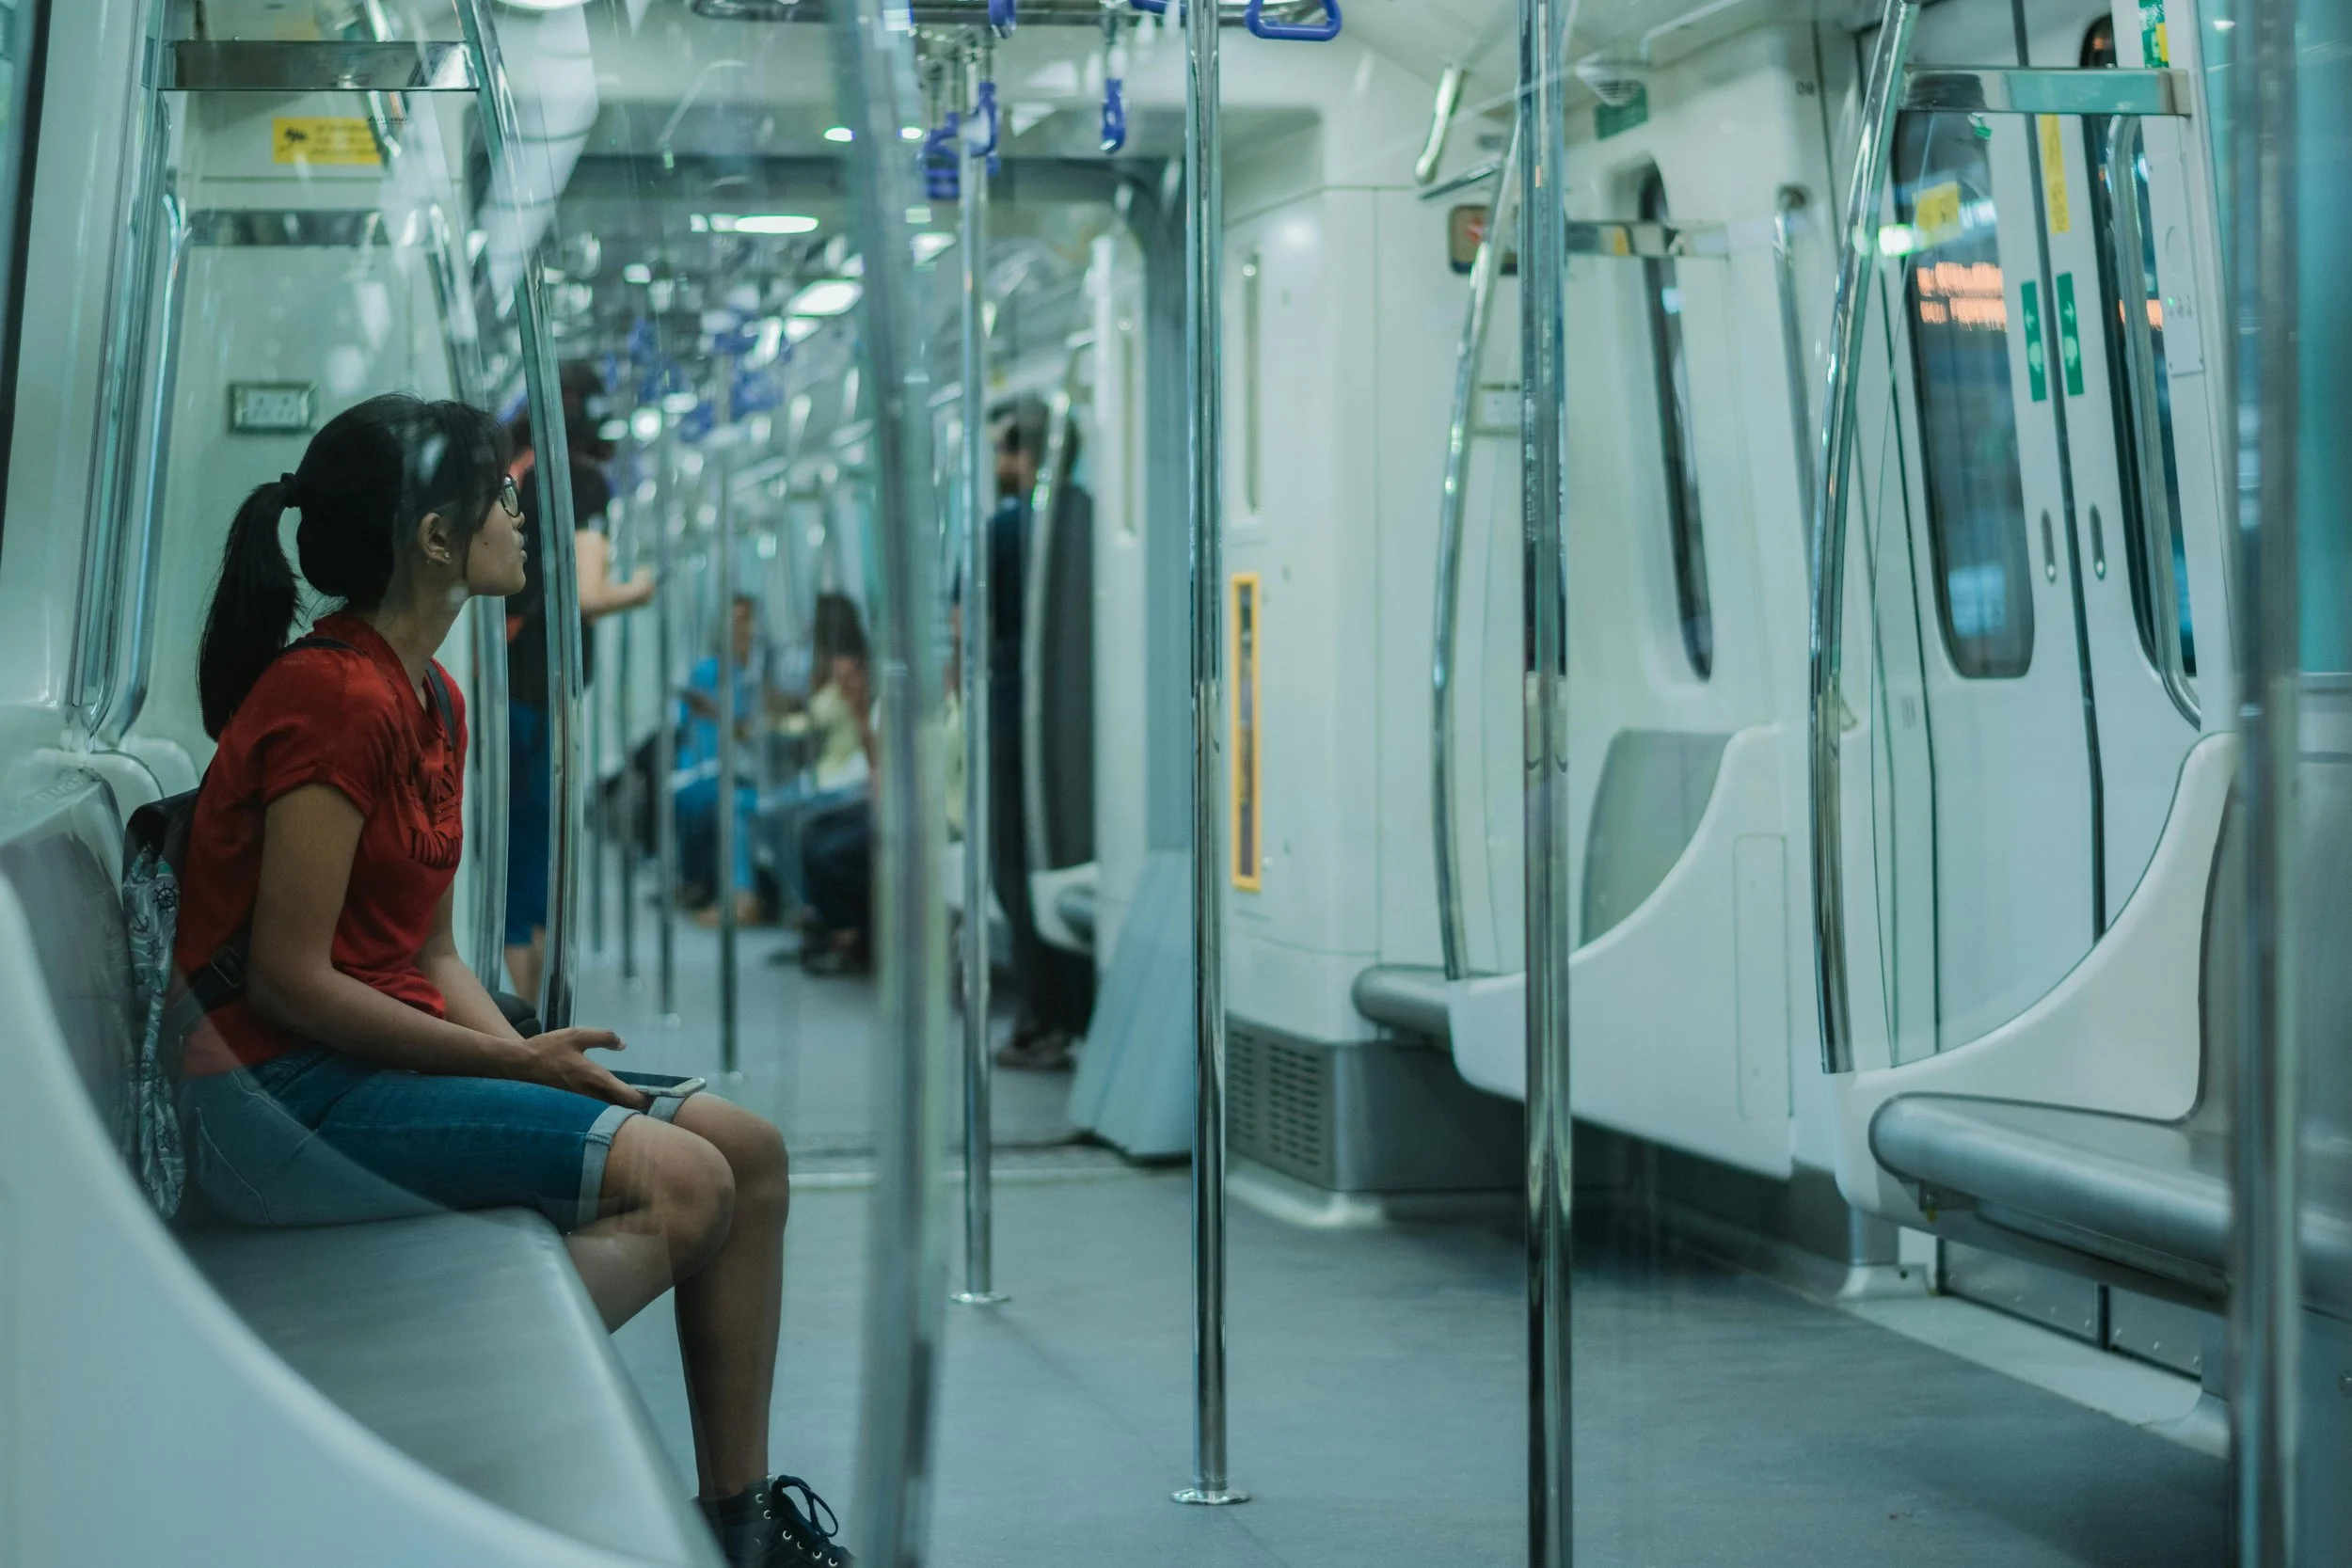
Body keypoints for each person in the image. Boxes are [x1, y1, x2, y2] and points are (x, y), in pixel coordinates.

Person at [174, 395, 847, 1568]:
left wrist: (548, 1070)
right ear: (436, 538)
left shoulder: (435, 697)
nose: (518, 509)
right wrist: (507, 1063)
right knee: (682, 1186)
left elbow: (430, 956)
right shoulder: (336, 697)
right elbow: (284, 982)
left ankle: (739, 1528)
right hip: (273, 1096)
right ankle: (379, 1454)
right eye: (496, 492)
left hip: (370, 1058)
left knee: (749, 1148)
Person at [505, 362, 657, 1002]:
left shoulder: (513, 472)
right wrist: (642, 588)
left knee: (511, 855)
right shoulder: (581, 483)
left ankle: (515, 1010)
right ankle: (529, 1023)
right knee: (539, 860)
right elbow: (588, 595)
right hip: (544, 691)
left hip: (501, 689)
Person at [984, 400, 1096, 1069]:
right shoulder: (1087, 516)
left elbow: (971, 629)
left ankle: (1038, 1020)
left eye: (1004, 449)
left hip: (1010, 719)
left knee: (1016, 871)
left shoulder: (1004, 528)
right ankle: (1075, 1012)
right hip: (1081, 724)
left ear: (1022, 455)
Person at [677, 594, 766, 926]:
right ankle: (701, 885)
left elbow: (762, 727)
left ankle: (742, 897)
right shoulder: (711, 671)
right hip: (724, 767)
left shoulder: (761, 673)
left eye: (744, 620)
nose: (739, 628)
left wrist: (720, 715)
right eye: (733, 621)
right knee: (690, 799)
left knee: (731, 804)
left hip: (759, 770)